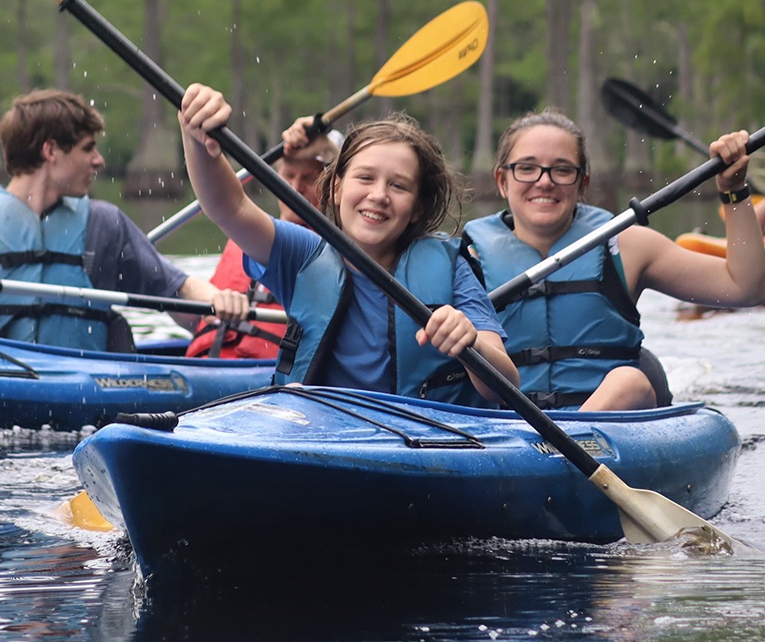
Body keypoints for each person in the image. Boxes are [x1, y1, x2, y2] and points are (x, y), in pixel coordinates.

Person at [177, 84, 520, 405]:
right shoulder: (302, 255)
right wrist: (195, 136)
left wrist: (471, 343)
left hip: (422, 443)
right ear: (337, 188)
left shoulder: (451, 266)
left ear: (417, 207)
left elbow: (505, 385)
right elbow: (229, 206)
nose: (379, 195)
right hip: (324, 435)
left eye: (398, 186)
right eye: (365, 178)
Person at [0, 89, 249, 352]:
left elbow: (178, 290)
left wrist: (221, 300)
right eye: (88, 149)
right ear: (51, 151)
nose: (99, 161)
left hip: (76, 391)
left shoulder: (104, 225)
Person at [462, 110, 765, 412]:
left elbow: (745, 287)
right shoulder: (467, 260)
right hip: (506, 433)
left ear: (583, 184)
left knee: (628, 381)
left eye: (562, 170)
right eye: (527, 168)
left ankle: (566, 450)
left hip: (614, 423)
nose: (544, 182)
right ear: (502, 181)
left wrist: (733, 192)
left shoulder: (625, 246)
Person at [184, 128, 341, 359]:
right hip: (208, 360)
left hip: (264, 374)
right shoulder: (246, 234)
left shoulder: (332, 249)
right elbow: (224, 204)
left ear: (331, 186)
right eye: (288, 176)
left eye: (309, 179)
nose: (295, 188)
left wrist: (329, 150)